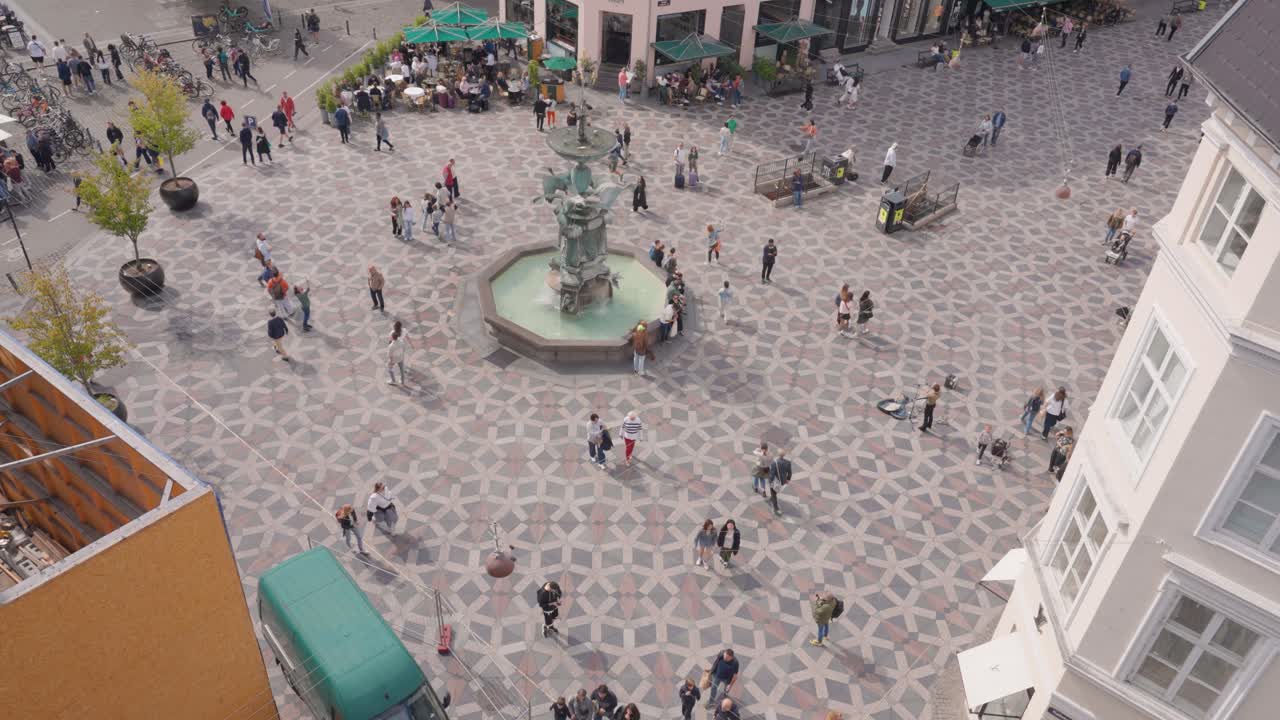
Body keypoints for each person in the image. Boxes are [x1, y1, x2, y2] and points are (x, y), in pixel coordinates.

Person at [768, 450, 791, 515]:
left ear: (778, 454)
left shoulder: (774, 463)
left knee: (773, 493)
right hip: (783, 481)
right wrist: (788, 479)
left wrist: (770, 481)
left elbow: (772, 474)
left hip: (775, 481)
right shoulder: (788, 462)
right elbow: (790, 472)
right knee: (776, 491)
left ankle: (776, 509)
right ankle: (771, 498)